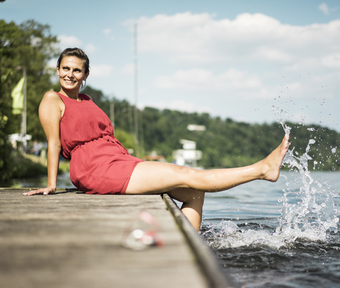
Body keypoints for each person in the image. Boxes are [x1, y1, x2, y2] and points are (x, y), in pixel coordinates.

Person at [23, 48, 290, 231]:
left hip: (118, 160)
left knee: (194, 193)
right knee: (189, 173)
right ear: (57, 69)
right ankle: (262, 169)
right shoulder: (51, 99)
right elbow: (54, 143)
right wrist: (50, 184)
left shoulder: (87, 100)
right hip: (95, 167)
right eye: (66, 68)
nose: (70, 74)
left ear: (86, 75)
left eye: (77, 70)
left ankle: (189, 248)